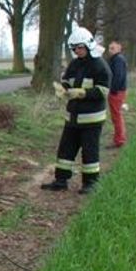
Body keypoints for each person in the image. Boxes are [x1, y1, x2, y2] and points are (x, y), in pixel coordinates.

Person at [41, 27, 112, 194]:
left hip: (92, 119)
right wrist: (63, 88)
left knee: (90, 152)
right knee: (65, 150)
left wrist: (83, 93)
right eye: (74, 48)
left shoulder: (100, 66)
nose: (77, 51)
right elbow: (67, 80)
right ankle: (60, 181)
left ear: (88, 45)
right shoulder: (75, 64)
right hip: (72, 117)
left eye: (79, 48)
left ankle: (91, 184)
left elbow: (103, 91)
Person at [106, 40, 128, 148]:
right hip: (117, 91)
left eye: (113, 48)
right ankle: (119, 138)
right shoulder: (116, 59)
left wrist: (112, 90)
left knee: (116, 116)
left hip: (116, 92)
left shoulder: (118, 60)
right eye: (109, 48)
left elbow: (117, 77)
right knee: (116, 115)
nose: (110, 51)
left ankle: (119, 140)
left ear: (119, 48)